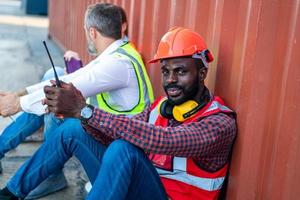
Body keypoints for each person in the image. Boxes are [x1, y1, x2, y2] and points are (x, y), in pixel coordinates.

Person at [0, 27, 236, 200]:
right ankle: (10, 193)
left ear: (203, 73)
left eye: (181, 71)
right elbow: (119, 132)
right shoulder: (160, 106)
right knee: (72, 130)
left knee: (125, 150)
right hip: (141, 188)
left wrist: (86, 110)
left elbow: (165, 140)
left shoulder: (218, 123)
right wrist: (81, 116)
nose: (171, 80)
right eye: (165, 72)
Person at [0, 3, 153, 199]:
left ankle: (28, 183)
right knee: (55, 95)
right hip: (113, 145)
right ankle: (21, 183)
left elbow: (65, 90)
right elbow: (73, 78)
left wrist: (15, 104)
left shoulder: (118, 63)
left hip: (121, 164)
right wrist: (19, 95)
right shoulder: (119, 53)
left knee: (62, 115)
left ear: (92, 32)